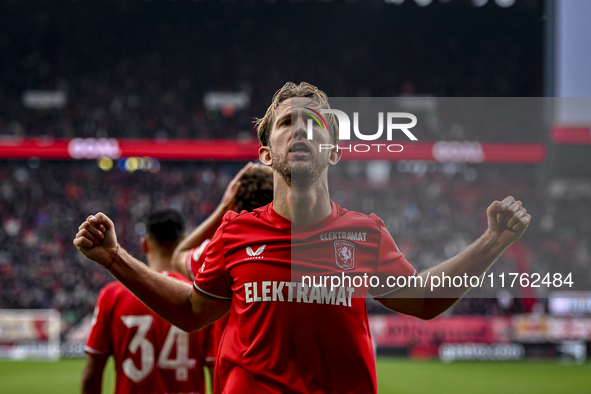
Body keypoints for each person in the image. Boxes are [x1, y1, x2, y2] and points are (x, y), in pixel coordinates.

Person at [74, 82, 531, 394]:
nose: (302, 129)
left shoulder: (363, 233)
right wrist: (115, 258)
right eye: (288, 121)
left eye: (315, 123)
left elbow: (425, 301)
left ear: (332, 150)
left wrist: (493, 241)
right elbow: (193, 312)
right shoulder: (236, 232)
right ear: (267, 153)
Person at [81, 210, 215, 394]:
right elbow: (218, 375)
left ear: (144, 245)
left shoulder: (112, 295)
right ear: (185, 245)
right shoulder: (203, 297)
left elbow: (91, 376)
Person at [171, 162, 273, 281]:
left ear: (233, 200)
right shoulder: (292, 242)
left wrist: (223, 208)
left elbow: (178, 258)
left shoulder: (224, 244)